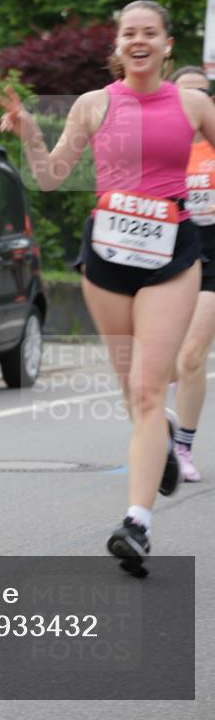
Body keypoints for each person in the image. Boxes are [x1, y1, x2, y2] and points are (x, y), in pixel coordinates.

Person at [0, 0, 215, 573]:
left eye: (150, 33)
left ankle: (136, 522)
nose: (138, 41)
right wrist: (28, 134)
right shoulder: (93, 106)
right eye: (128, 33)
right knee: (135, 395)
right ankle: (159, 439)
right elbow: (49, 177)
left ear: (168, 45)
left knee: (148, 388)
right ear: (117, 47)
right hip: (108, 253)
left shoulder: (194, 104)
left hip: (172, 251)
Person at [168, 66, 215, 482]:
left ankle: (183, 446)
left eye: (200, 92)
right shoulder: (165, 146)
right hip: (170, 253)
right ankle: (158, 429)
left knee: (191, 355)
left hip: (212, 258)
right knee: (163, 362)